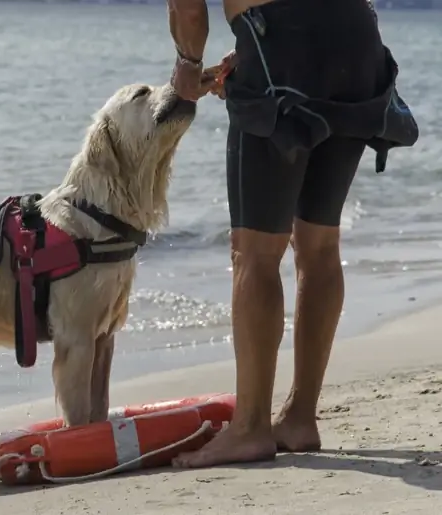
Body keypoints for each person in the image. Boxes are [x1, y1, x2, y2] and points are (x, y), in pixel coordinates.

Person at [166, 0, 419, 467]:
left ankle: (250, 429)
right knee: (319, 244)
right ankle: (300, 417)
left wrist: (188, 68)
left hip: (281, 47)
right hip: (356, 39)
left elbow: (187, 9)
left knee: (255, 253)